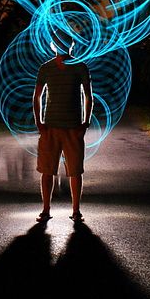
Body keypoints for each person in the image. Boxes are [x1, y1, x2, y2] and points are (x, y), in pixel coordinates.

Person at [33, 36, 93, 223]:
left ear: (71, 46)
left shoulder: (80, 67)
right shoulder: (45, 68)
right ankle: (46, 210)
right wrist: (40, 123)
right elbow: (36, 96)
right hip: (51, 127)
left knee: (75, 171)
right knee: (47, 170)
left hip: (73, 128)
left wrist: (85, 123)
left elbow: (89, 97)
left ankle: (76, 211)